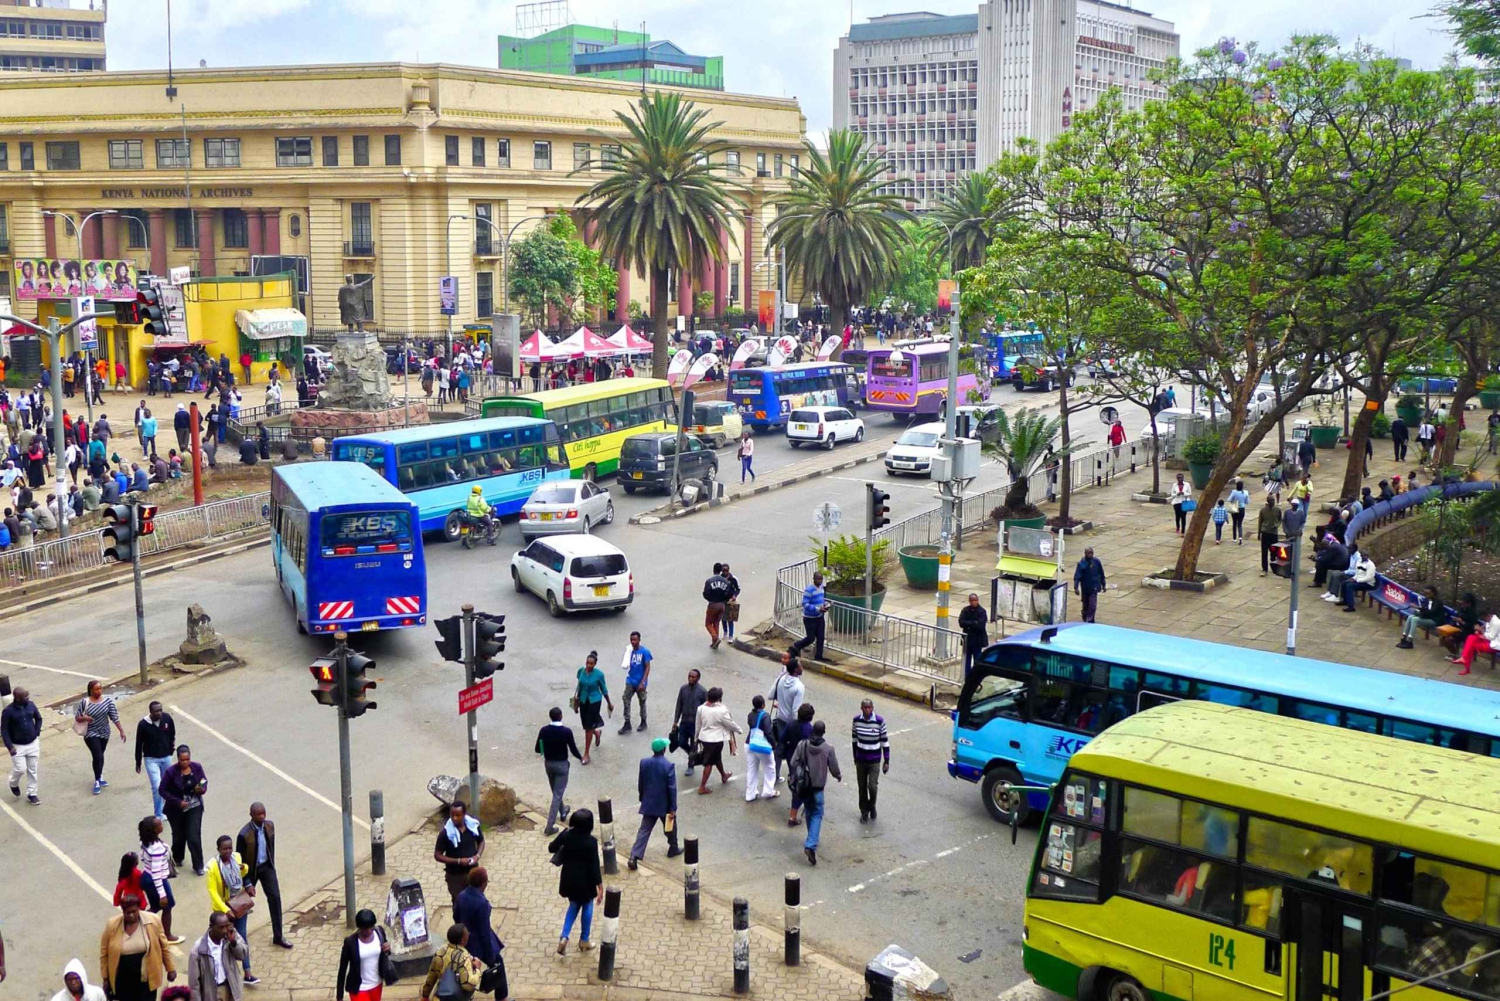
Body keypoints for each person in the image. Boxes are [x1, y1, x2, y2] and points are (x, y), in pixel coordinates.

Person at [548, 808, 604, 956]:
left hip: (568, 879)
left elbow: (551, 847)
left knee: (573, 905)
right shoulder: (591, 842)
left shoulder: (566, 835)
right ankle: (584, 939)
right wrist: (600, 887)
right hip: (585, 882)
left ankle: (564, 936)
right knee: (587, 906)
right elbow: (594, 866)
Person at [100, 892, 175, 1001]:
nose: (131, 915)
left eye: (134, 911)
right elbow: (104, 953)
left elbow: (164, 946)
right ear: (122, 911)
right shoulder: (112, 925)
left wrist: (170, 968)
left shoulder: (153, 920)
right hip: (122, 980)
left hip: (147, 979)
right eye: (127, 912)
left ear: (139, 909)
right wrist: (106, 978)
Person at [237, 803, 291, 950]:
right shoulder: (244, 835)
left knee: (275, 899)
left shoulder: (269, 826)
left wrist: (271, 865)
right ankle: (236, 941)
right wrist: (247, 882)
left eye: (263, 813)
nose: (262, 816)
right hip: (250, 871)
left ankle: (278, 936)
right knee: (240, 904)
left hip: (266, 867)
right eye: (258, 814)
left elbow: (270, 846)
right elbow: (239, 861)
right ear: (251, 815)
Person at [790, 720, 841, 866]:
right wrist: (838, 776)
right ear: (823, 732)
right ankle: (811, 844)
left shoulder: (802, 745)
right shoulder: (828, 749)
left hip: (804, 787)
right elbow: (834, 768)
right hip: (818, 788)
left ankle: (811, 838)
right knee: (817, 814)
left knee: (808, 812)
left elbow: (793, 762)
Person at [206, 835, 256, 984]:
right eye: (224, 849)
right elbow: (212, 892)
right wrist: (225, 910)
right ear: (218, 850)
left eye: (230, 848)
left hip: (239, 905)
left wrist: (244, 868)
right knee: (222, 940)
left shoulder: (237, 857)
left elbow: (242, 874)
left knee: (241, 937)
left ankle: (247, 972)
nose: (228, 851)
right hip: (223, 911)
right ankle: (221, 973)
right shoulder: (212, 867)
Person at [628, 737, 682, 870]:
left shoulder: (644, 763)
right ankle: (673, 848)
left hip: (649, 802)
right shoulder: (668, 766)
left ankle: (634, 856)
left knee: (644, 830)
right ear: (664, 750)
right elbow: (672, 789)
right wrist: (673, 807)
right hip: (664, 805)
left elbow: (641, 783)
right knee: (670, 827)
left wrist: (642, 797)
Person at [453, 869, 505, 995]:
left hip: (464, 942)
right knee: (499, 962)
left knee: (465, 971)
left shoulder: (462, 895)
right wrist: (490, 957)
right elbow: (484, 933)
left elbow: (456, 916)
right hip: (478, 945)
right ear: (483, 884)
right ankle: (502, 997)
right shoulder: (482, 904)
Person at [160, 745, 208, 875]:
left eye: (187, 759)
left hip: (194, 806)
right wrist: (178, 802)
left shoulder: (197, 767)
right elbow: (162, 790)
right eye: (182, 760)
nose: (185, 762)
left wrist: (201, 789)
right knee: (179, 836)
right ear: (178, 759)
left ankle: (198, 865)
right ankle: (178, 857)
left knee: (193, 836)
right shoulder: (171, 772)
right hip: (176, 810)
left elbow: (204, 781)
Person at [535, 707, 581, 836]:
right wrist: (581, 757)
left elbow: (538, 749)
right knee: (557, 794)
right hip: (561, 766)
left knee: (556, 791)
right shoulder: (566, 732)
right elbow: (573, 749)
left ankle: (563, 811)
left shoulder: (544, 730)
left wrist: (545, 750)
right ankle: (549, 826)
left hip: (549, 764)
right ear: (561, 716)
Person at [77, 679, 127, 795]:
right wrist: (85, 718)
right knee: (97, 755)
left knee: (100, 754)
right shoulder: (85, 702)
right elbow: (77, 718)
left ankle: (100, 775)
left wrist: (121, 731)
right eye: (96, 689)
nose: (99, 691)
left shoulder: (107, 702)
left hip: (104, 732)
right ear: (91, 690)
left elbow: (114, 717)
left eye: (100, 688)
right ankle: (97, 780)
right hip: (90, 733)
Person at [434, 801, 485, 910]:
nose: (454, 818)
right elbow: (437, 855)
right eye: (452, 815)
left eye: (458, 815)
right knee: (459, 904)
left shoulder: (473, 827)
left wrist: (477, 856)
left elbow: (481, 841)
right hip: (455, 877)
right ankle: (460, 926)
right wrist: (458, 861)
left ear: (464, 814)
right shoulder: (446, 833)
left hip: (472, 873)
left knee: (476, 902)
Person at [187, 913, 247, 1001]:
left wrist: (233, 942)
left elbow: (243, 955)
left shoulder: (230, 937)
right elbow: (194, 985)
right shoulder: (198, 951)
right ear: (211, 927)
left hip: (231, 988)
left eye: (226, 926)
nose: (224, 930)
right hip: (213, 993)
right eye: (220, 927)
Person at [693, 687, 741, 794]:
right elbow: (729, 723)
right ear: (719, 698)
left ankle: (724, 775)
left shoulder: (701, 708)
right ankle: (702, 787)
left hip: (704, 738)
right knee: (709, 762)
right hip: (716, 740)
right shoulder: (721, 710)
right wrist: (739, 730)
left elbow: (698, 725)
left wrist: (696, 738)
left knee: (716, 758)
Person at [139, 816, 180, 943]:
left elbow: (142, 857)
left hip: (146, 876)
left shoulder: (146, 842)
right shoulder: (157, 848)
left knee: (155, 907)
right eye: (159, 825)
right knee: (167, 906)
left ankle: (138, 926)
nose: (162, 825)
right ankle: (167, 935)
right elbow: (156, 873)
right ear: (155, 830)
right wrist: (162, 894)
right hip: (156, 880)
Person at [336, 909, 392, 1001]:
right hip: (359, 988)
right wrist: (339, 997)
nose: (369, 931)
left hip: (376, 984)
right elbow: (342, 970)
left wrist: (387, 950)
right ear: (360, 927)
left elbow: (385, 953)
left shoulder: (380, 933)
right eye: (365, 929)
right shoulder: (350, 942)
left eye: (371, 927)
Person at [768, 654, 806, 783]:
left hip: (780, 719)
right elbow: (796, 711)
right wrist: (798, 728)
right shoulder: (799, 687)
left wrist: (781, 701)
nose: (802, 667)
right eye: (800, 665)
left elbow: (770, 695)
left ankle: (775, 775)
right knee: (793, 752)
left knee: (779, 748)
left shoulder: (781, 679)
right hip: (791, 723)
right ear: (796, 670)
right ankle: (793, 777)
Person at [851, 699, 890, 824]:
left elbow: (885, 741)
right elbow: (854, 740)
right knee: (861, 787)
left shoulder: (879, 721)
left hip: (874, 760)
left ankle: (872, 805)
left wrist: (886, 761)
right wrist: (855, 757)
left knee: (872, 786)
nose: (867, 710)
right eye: (865, 708)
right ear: (861, 708)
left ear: (873, 708)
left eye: (869, 708)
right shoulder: (856, 721)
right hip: (861, 760)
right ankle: (864, 811)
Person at [135, 702, 176, 818]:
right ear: (151, 712)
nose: (159, 713)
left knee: (168, 785)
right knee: (157, 786)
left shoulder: (167, 718)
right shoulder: (143, 725)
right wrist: (138, 761)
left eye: (160, 710)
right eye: (156, 711)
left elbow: (172, 734)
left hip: (166, 757)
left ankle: (169, 809)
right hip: (151, 759)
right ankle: (159, 813)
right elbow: (139, 744)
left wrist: (171, 749)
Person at [4, 684, 42, 805]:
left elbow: (39, 718)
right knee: (20, 769)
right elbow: (4, 730)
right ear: (18, 698)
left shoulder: (31, 705)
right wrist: (10, 746)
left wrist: (36, 732)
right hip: (17, 746)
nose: (28, 697)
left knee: (33, 770)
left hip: (33, 744)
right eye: (26, 696)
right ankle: (13, 783)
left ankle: (32, 793)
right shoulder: (8, 711)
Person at [572, 652, 612, 765]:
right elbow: (579, 686)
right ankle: (597, 733)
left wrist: (609, 703)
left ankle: (586, 753)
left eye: (591, 664)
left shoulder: (599, 675)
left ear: (595, 664)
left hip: (594, 701)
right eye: (587, 663)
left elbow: (604, 690)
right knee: (585, 725)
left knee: (588, 727)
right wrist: (576, 703)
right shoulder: (581, 671)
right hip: (584, 700)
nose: (589, 665)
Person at [782, 703, 817, 826]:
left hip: (791, 757)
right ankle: (794, 816)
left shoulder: (791, 724)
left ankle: (795, 813)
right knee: (802, 787)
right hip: (804, 762)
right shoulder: (810, 729)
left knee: (796, 783)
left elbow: (782, 738)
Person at [671, 668, 708, 777]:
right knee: (681, 742)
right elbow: (679, 705)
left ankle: (691, 765)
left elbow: (705, 710)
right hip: (684, 722)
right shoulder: (683, 689)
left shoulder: (702, 692)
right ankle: (692, 755)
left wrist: (704, 725)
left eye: (693, 677)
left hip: (696, 724)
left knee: (694, 745)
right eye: (689, 676)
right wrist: (675, 721)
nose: (690, 679)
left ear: (698, 678)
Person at [788, 571, 828, 661]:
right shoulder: (809, 590)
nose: (820, 581)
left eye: (821, 579)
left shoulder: (821, 588)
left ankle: (818, 656)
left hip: (820, 617)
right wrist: (818, 609)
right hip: (810, 618)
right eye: (818, 579)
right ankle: (797, 645)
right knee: (811, 638)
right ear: (814, 579)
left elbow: (821, 600)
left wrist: (825, 605)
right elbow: (805, 604)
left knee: (821, 637)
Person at [744, 695, 777, 802]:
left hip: (750, 744)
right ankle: (768, 791)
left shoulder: (750, 715)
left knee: (752, 769)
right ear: (763, 704)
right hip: (762, 746)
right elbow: (768, 732)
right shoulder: (765, 716)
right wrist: (774, 744)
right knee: (769, 768)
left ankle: (750, 793)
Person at [619, 631, 651, 735]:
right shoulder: (630, 651)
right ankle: (627, 723)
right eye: (631, 640)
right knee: (625, 699)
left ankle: (643, 721)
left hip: (640, 681)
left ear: (639, 640)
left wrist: (643, 682)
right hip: (630, 680)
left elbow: (647, 667)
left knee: (642, 701)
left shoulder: (644, 652)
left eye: (635, 640)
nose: (633, 642)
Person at [703, 562, 734, 649]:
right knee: (716, 623)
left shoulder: (709, 581)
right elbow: (729, 594)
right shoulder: (726, 582)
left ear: (713, 570)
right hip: (722, 605)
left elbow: (706, 594)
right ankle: (714, 643)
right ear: (721, 571)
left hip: (713, 604)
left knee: (708, 623)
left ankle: (715, 638)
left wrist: (710, 599)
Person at [1072, 547, 1106, 623]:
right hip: (1085, 588)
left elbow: (1101, 573)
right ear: (1085, 554)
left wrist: (1103, 584)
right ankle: (1085, 615)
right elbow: (1077, 576)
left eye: (1092, 553)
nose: (1091, 555)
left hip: (1094, 588)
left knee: (1092, 605)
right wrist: (1076, 587)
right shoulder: (1081, 564)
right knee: (1086, 605)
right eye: (1089, 553)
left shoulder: (1096, 562)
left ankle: (1090, 620)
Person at [957, 593, 989, 672]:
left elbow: (980, 626)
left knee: (977, 660)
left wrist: (968, 624)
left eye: (975, 600)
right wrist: (974, 623)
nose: (974, 602)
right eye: (972, 600)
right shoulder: (965, 610)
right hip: (967, 640)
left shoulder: (982, 611)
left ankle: (975, 677)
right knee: (967, 660)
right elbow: (961, 622)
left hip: (977, 641)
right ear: (969, 601)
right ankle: (967, 677)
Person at [1258, 495, 1282, 576]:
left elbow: (1280, 519)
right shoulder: (1263, 510)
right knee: (1264, 552)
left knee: (1274, 551)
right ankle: (1264, 569)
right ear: (1267, 501)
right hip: (1265, 533)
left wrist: (1277, 525)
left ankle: (1274, 566)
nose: (1273, 502)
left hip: (1274, 533)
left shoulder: (1277, 510)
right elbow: (1260, 522)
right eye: (1271, 500)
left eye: (1273, 500)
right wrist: (1259, 533)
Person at [720, 563, 742, 639]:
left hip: (730, 601)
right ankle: (725, 632)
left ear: (728, 570)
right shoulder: (720, 578)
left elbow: (738, 588)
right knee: (723, 618)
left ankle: (731, 635)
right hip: (722, 600)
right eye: (723, 570)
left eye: (726, 570)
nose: (725, 572)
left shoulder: (733, 579)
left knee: (730, 618)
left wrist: (734, 596)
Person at [1227, 479, 1250, 544]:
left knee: (1234, 523)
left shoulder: (1234, 492)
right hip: (1242, 509)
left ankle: (1234, 538)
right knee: (1240, 524)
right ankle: (1240, 537)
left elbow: (1228, 499)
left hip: (1235, 508)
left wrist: (1233, 500)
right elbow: (1247, 502)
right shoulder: (1245, 492)